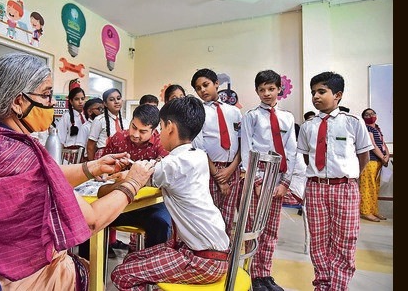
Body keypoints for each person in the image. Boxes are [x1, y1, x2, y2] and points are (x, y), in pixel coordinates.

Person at [0, 53, 156, 290]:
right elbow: (90, 222)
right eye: (47, 95)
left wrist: (92, 168)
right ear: (18, 102)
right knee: (83, 268)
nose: (52, 104)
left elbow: (44, 177)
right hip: (15, 276)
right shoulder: (25, 154)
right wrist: (132, 183)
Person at [111, 95, 230, 290]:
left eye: (160, 128)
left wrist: (115, 172)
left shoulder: (173, 165)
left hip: (201, 260)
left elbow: (139, 175)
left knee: (121, 274)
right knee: (133, 257)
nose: (159, 133)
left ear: (170, 127)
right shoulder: (197, 155)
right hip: (211, 250)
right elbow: (158, 167)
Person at [297, 71, 373, 291]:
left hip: (345, 188)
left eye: (322, 91)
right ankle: (322, 284)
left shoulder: (353, 122)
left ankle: (338, 286)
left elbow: (364, 156)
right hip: (316, 188)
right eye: (313, 92)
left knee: (345, 240)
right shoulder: (308, 126)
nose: (316, 97)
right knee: (319, 241)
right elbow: (305, 156)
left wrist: (348, 177)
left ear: (338, 95)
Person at [240, 69, 297, 291]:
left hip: (278, 176)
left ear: (279, 90)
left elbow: (291, 150)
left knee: (272, 228)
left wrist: (285, 182)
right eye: (262, 89)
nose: (266, 93)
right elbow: (247, 149)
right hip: (259, 174)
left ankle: (265, 274)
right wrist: (254, 179)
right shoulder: (252, 116)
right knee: (253, 227)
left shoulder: (288, 117)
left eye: (271, 89)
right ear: (256, 91)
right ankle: (250, 273)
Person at [99, 104, 171, 258]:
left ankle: (151, 270)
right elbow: (102, 168)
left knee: (161, 223)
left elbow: (162, 172)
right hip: (119, 201)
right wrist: (111, 170)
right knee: (92, 217)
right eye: (133, 127)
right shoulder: (118, 139)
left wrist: (131, 174)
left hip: (150, 205)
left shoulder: (162, 143)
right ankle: (90, 270)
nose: (136, 134)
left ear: (154, 131)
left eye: (143, 131)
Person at [190, 68, 242, 238]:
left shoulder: (234, 111)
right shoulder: (198, 113)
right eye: (198, 88)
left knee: (227, 217)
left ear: (216, 84)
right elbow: (199, 147)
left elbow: (242, 142)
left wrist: (231, 169)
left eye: (206, 85)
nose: (203, 90)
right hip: (209, 170)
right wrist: (219, 176)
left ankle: (224, 255)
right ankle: (211, 253)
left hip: (232, 169)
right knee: (211, 216)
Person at [359, 108, 390, 222]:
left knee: (375, 187)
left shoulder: (377, 128)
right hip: (369, 161)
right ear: (363, 118)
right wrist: (383, 157)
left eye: (372, 113)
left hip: (379, 161)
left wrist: (386, 155)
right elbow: (372, 145)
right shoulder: (366, 128)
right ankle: (366, 211)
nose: (370, 115)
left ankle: (374, 211)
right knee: (366, 186)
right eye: (367, 114)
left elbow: (382, 143)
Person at [87, 88, 129, 160]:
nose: (116, 102)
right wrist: (92, 166)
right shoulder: (99, 120)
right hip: (103, 156)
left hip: (121, 156)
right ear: (105, 104)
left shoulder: (125, 121)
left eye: (118, 98)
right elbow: (90, 146)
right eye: (112, 99)